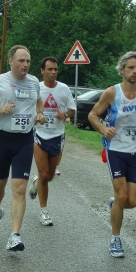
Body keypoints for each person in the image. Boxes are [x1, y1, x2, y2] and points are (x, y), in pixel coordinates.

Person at [0, 45, 46, 251]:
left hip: (24, 139)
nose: (25, 65)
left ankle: (15, 235)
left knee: (20, 188)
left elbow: (39, 101)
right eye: (21, 61)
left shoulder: (33, 82)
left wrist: (40, 114)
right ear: (11, 61)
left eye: (28, 61)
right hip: (3, 139)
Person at [88, 51, 136, 258]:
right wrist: (102, 129)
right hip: (116, 150)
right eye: (130, 68)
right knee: (122, 195)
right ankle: (115, 239)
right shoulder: (112, 93)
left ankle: (115, 204)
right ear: (122, 70)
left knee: (131, 202)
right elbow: (93, 115)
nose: (134, 71)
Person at [29, 56, 76, 225]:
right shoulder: (36, 88)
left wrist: (64, 116)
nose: (53, 72)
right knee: (43, 174)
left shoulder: (63, 89)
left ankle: (35, 182)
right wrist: (36, 116)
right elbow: (27, 107)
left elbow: (72, 110)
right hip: (39, 134)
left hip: (57, 135)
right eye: (50, 69)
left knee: (49, 177)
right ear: (42, 71)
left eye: (55, 69)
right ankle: (44, 212)